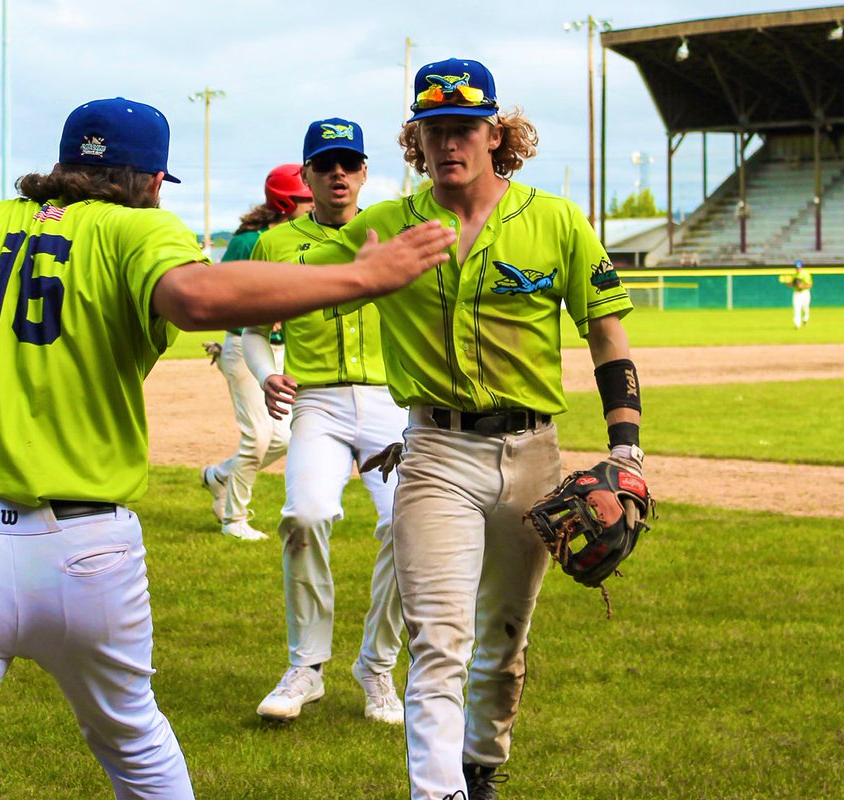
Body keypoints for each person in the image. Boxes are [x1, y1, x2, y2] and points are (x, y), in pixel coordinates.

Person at [0, 96, 453, 800]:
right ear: (151, 179)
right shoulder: (141, 230)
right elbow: (194, 300)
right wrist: (362, 275)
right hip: (88, 553)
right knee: (134, 742)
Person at [300, 60, 643, 800]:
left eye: (464, 127)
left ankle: (480, 764)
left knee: (505, 642)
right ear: (415, 140)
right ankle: (439, 792)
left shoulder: (554, 220)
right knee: (439, 642)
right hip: (435, 451)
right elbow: (296, 272)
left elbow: (607, 336)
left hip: (534, 454)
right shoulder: (384, 226)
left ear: (496, 134)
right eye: (433, 129)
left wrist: (626, 445)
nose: (448, 141)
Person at [243, 118, 406, 725]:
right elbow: (253, 331)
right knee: (304, 516)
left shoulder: (395, 231)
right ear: (307, 174)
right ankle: (306, 667)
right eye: (326, 163)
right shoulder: (276, 244)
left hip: (392, 403)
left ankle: (377, 666)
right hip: (318, 402)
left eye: (350, 163)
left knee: (405, 527)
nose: (339, 173)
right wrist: (265, 374)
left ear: (365, 172)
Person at [200, 165, 313, 540]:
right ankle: (235, 520)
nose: (312, 202)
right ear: (285, 202)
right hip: (242, 348)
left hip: (278, 353)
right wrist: (261, 311)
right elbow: (219, 291)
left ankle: (220, 476)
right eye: (305, 197)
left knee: (282, 438)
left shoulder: (299, 239)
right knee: (258, 438)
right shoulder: (249, 241)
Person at [780, 259, 812, 328]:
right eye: (797, 267)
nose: (798, 269)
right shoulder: (793, 275)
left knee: (805, 308)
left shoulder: (805, 274)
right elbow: (789, 284)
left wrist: (802, 285)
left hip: (805, 293)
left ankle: (805, 319)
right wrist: (791, 284)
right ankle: (797, 324)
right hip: (797, 293)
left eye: (799, 267)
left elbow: (809, 284)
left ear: (802, 267)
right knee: (797, 309)